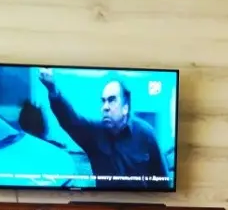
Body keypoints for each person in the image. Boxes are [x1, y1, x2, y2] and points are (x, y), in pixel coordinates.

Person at [38, 68, 169, 189]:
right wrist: (52, 90)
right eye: (103, 101)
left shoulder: (146, 134)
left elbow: (162, 180)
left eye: (112, 100)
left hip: (138, 203)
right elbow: (70, 121)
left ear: (125, 108)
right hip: (104, 202)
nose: (105, 107)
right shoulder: (95, 133)